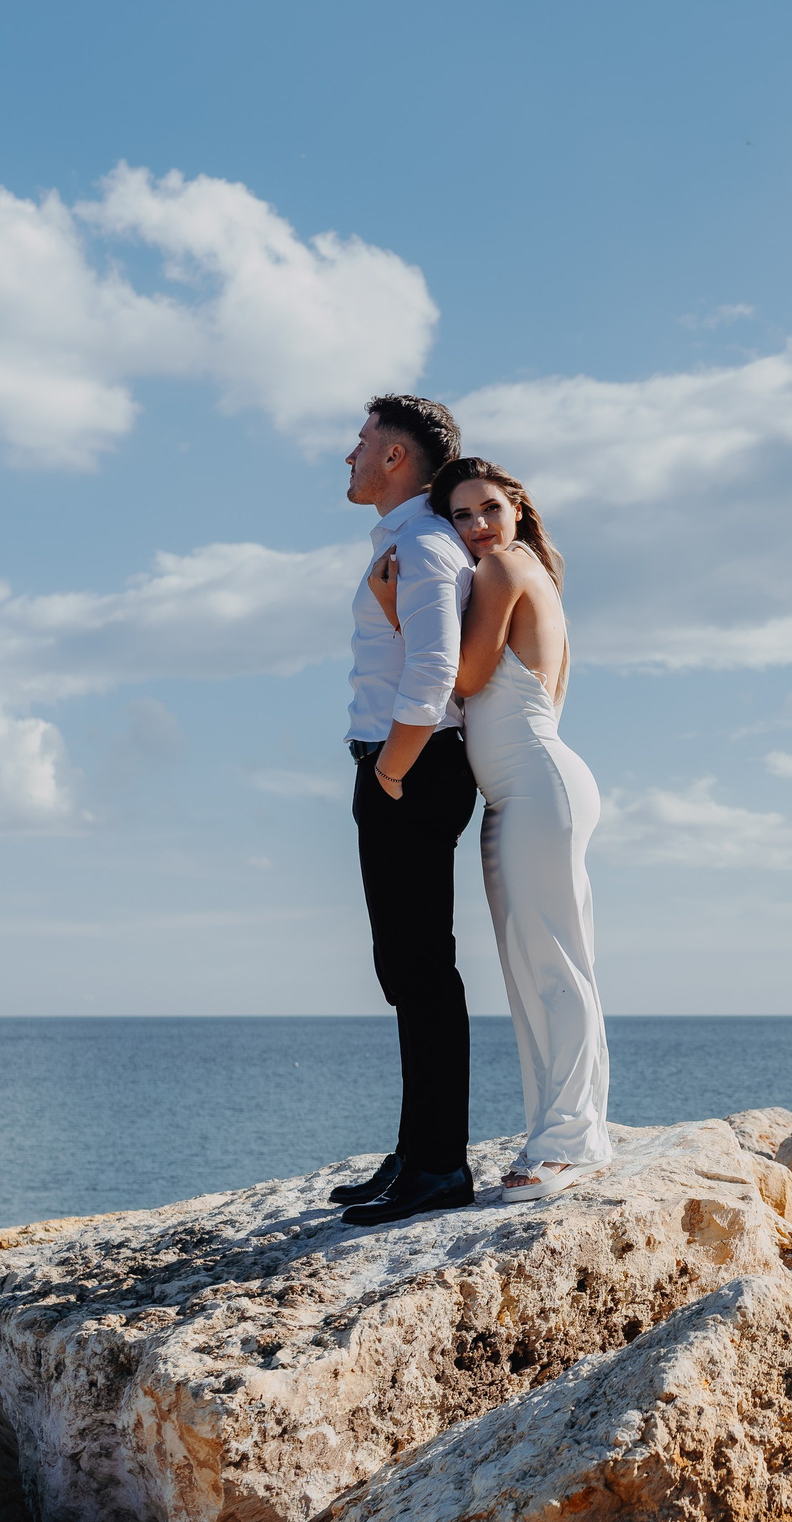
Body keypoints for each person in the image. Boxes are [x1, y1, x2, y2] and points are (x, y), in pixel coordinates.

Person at [433, 456, 613, 1201]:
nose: (476, 526)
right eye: (460, 516)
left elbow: (467, 678)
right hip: (515, 796)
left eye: (488, 509)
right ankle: (556, 1128)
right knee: (530, 970)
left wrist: (396, 608)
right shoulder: (522, 568)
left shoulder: (504, 568)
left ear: (516, 510)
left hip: (538, 789)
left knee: (555, 966)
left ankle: (574, 1140)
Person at [332, 395, 483, 1227]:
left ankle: (438, 1164)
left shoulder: (424, 543)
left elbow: (434, 669)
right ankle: (415, 1149)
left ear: (396, 458)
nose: (347, 455)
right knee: (406, 967)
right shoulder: (409, 540)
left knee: (422, 969)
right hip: (404, 765)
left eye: (360, 442)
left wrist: (390, 772)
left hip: (413, 767)